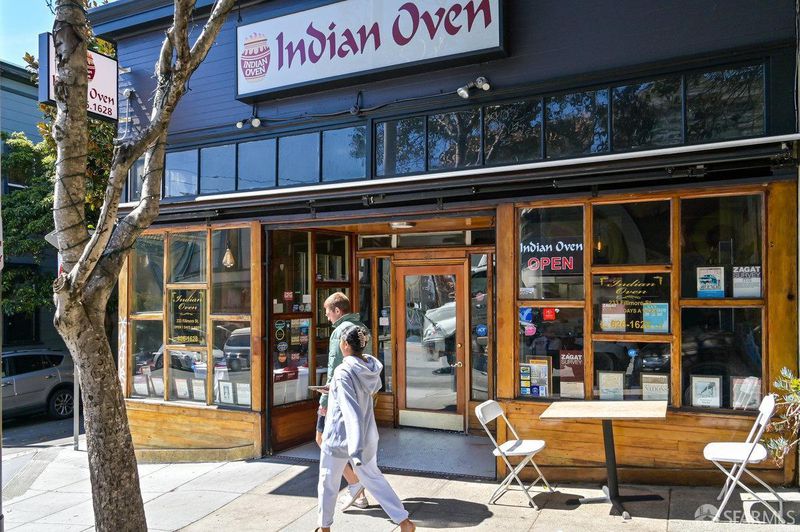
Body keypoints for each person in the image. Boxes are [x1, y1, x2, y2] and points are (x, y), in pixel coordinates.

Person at [317, 325, 415, 532]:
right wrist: (333, 389)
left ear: (345, 345)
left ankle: (324, 527)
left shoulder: (343, 371)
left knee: (328, 481)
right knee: (373, 479)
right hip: (365, 436)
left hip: (341, 436)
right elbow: (359, 394)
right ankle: (404, 522)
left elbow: (350, 409)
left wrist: (355, 448)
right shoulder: (368, 368)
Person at [315, 292, 369, 510]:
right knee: (353, 445)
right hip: (359, 396)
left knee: (322, 439)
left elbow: (333, 368)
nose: (327, 316)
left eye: (328, 312)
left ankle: (355, 485)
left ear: (337, 311)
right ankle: (360, 493)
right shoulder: (361, 328)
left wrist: (324, 401)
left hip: (339, 398)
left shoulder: (339, 332)